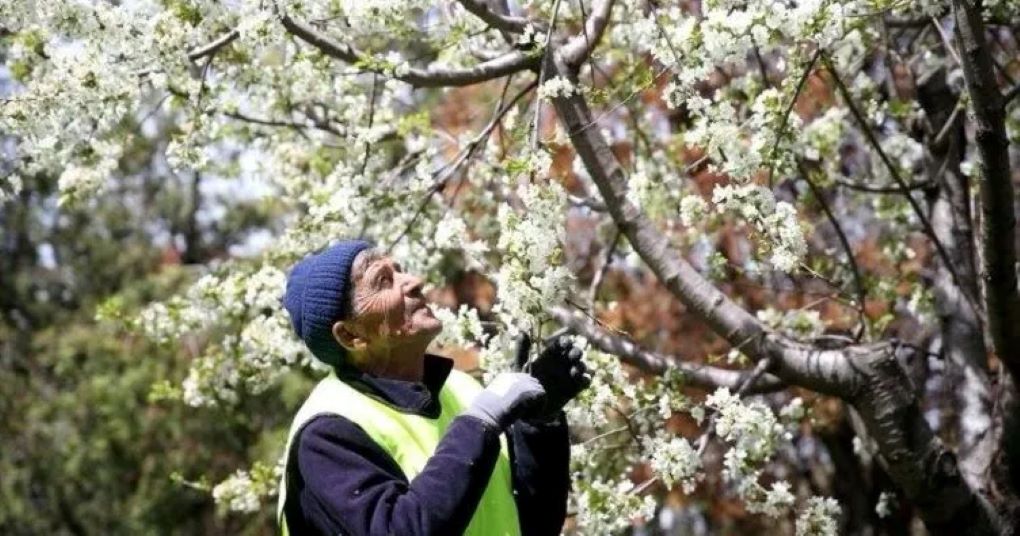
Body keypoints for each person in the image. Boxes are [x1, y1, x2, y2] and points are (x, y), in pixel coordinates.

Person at [277, 239, 591, 535]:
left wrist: (537, 424)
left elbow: (534, 525)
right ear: (350, 336)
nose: (413, 281)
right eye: (383, 280)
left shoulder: (461, 390)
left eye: (399, 269)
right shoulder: (327, 433)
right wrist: (480, 424)